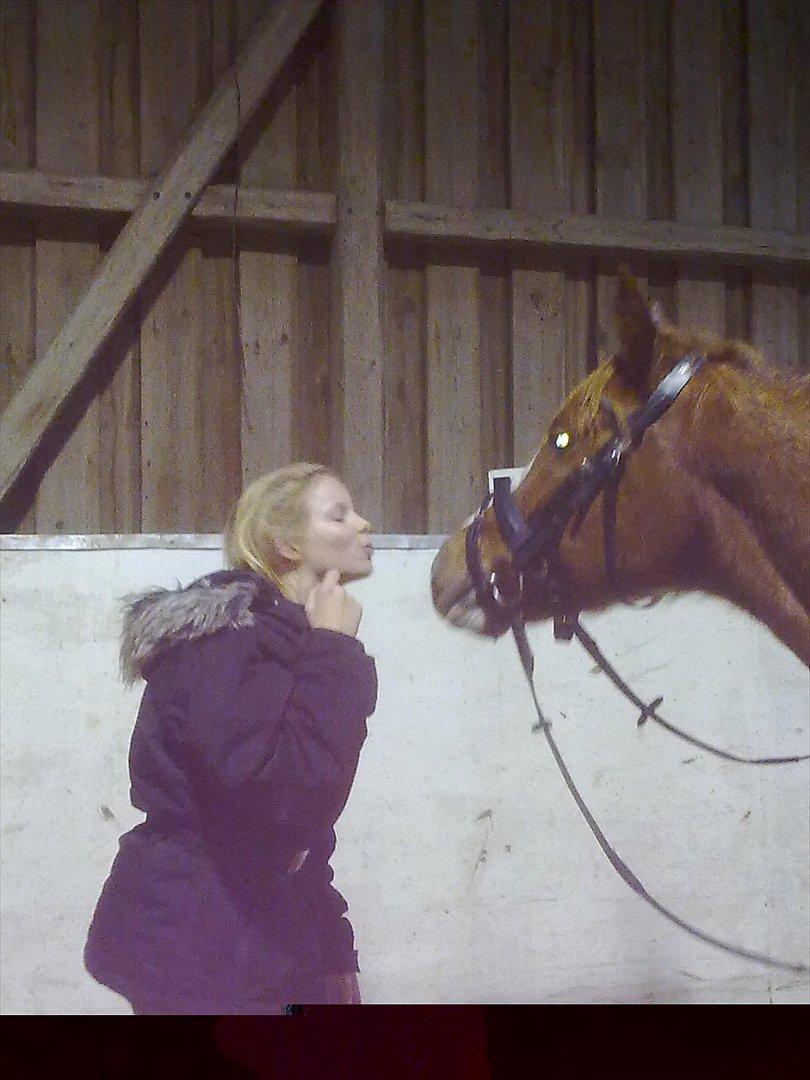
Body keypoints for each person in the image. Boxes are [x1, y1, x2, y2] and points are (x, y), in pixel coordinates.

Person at [84, 462, 377, 1014]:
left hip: (253, 932)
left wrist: (334, 949)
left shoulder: (293, 639)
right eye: (339, 514)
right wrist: (335, 655)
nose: (365, 524)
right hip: (195, 939)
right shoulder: (223, 641)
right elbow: (279, 799)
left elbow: (304, 831)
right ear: (286, 543)